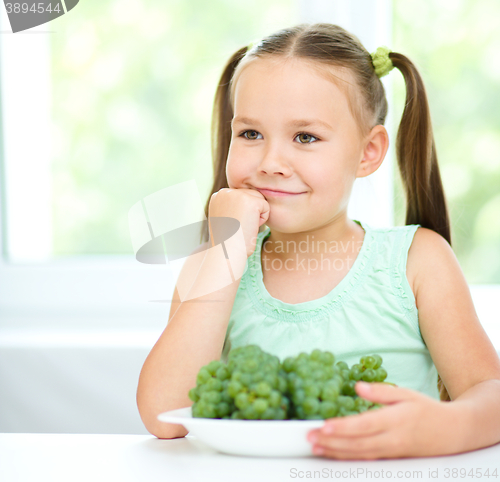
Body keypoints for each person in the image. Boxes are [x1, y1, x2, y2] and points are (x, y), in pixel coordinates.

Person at [136, 23, 500, 459]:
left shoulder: (417, 261)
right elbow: (164, 415)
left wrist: (445, 428)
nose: (271, 162)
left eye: (305, 137)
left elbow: (489, 394)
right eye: (250, 134)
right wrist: (225, 251)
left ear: (368, 152)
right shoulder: (211, 265)